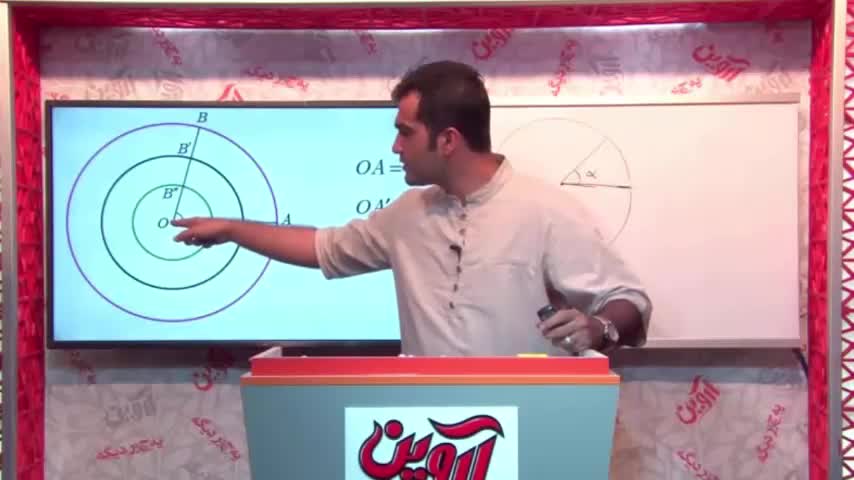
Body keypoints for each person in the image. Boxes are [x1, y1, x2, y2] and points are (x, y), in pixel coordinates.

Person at [172, 60, 652, 357]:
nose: (395, 148)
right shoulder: (407, 214)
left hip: (526, 427)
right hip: (427, 437)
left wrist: (600, 327)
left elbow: (629, 300)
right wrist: (232, 229)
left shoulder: (545, 210)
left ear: (448, 140)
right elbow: (321, 247)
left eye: (405, 132)